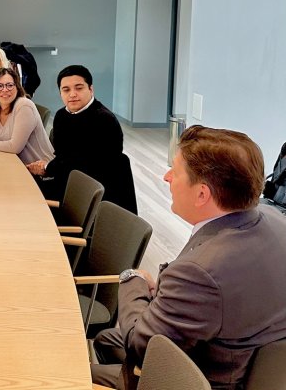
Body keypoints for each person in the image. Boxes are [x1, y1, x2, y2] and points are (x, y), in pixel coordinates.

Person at [91, 126, 286, 390]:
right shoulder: (275, 220)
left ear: (202, 194)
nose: (166, 176)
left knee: (79, 372)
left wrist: (132, 278)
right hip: (253, 361)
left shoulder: (200, 271)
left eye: (175, 170)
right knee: (106, 339)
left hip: (204, 377)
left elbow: (140, 344)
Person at [26, 65, 137, 212]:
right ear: (60, 93)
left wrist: (47, 168)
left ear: (91, 89)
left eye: (79, 88)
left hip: (95, 195)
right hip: (69, 182)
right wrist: (49, 167)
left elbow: (84, 163)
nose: (72, 94)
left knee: (27, 199)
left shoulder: (104, 120)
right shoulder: (61, 115)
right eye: (66, 90)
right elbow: (63, 156)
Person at [0, 68, 54, 167]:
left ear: (17, 87)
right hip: (18, 166)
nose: (5, 90)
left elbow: (15, 147)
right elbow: (1, 134)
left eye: (9, 85)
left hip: (42, 170)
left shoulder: (24, 106)